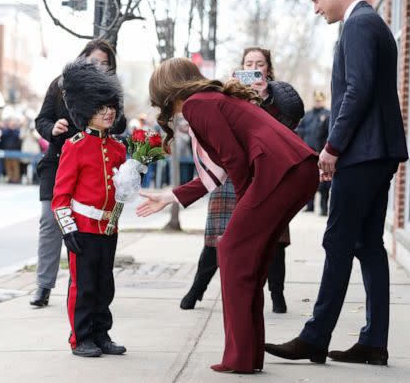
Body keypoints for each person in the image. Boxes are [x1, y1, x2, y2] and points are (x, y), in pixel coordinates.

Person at [137, 57, 319, 373]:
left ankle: (240, 357)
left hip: (281, 171)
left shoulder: (197, 105)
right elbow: (220, 167)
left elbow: (234, 160)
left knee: (232, 250)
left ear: (166, 90)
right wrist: (171, 197)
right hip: (296, 169)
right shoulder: (210, 100)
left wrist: (243, 207)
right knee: (251, 260)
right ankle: (248, 356)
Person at [264, 0, 408, 366]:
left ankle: (315, 337)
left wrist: (332, 147)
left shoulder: (358, 25)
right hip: (379, 153)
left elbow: (357, 91)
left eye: (315, 0)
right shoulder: (372, 22)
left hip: (362, 153)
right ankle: (374, 343)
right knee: (368, 245)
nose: (315, 9)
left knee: (339, 240)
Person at [180, 47, 304, 314]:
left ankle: (277, 295)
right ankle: (196, 291)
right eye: (249, 63)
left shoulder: (280, 95)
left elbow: (288, 125)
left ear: (268, 69)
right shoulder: (226, 92)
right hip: (228, 174)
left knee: (275, 238)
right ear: (240, 67)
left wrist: (265, 98)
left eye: (259, 64)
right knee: (217, 236)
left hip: (265, 171)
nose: (254, 67)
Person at [30, 39, 127, 307]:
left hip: (92, 166)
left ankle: (81, 289)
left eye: (105, 63)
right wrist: (53, 127)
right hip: (59, 161)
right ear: (82, 58)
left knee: (86, 233)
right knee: (51, 221)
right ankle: (43, 285)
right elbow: (41, 120)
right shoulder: (61, 84)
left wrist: (104, 116)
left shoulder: (110, 92)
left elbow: (120, 122)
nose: (98, 66)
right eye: (93, 60)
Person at [52, 60, 127, 357]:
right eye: (100, 108)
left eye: (110, 106)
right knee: (82, 287)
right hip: (82, 228)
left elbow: (119, 190)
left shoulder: (119, 149)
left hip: (109, 227)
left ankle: (101, 333)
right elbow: (61, 195)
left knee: (104, 286)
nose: (108, 112)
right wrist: (67, 229)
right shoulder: (75, 145)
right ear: (86, 111)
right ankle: (80, 337)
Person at [296, 91, 331, 215]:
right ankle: (309, 206)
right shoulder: (307, 115)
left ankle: (324, 208)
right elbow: (299, 130)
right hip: (308, 153)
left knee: (324, 182)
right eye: (316, 100)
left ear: (324, 100)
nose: (318, 102)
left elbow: (329, 134)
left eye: (320, 100)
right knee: (308, 180)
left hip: (322, 153)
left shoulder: (328, 114)